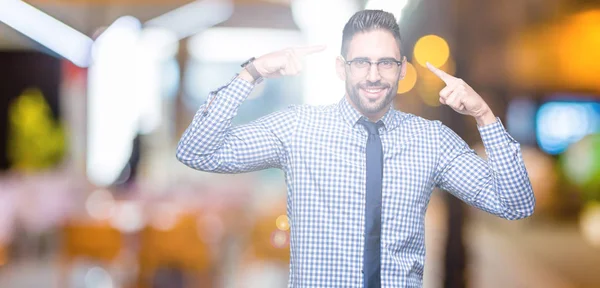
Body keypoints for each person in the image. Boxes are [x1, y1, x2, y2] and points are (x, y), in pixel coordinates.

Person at [176, 9, 535, 288]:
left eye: (386, 63)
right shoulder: (298, 128)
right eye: (361, 61)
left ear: (402, 69)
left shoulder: (432, 141)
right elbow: (196, 151)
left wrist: (484, 115)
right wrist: (251, 72)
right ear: (341, 68)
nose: (373, 74)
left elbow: (515, 204)